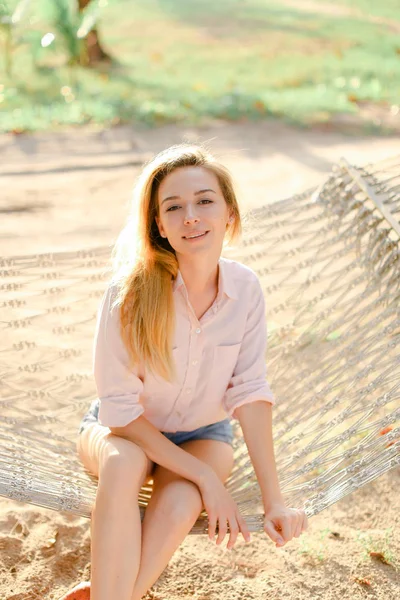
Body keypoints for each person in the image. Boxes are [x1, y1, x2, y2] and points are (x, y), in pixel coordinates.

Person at [60, 143, 308, 600]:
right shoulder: (129, 294)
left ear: (229, 214)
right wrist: (207, 477)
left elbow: (250, 393)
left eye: (204, 201)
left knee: (179, 498)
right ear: (159, 225)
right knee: (126, 460)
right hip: (122, 431)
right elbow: (118, 411)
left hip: (203, 433)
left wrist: (275, 501)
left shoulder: (245, 289)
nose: (190, 216)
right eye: (173, 207)